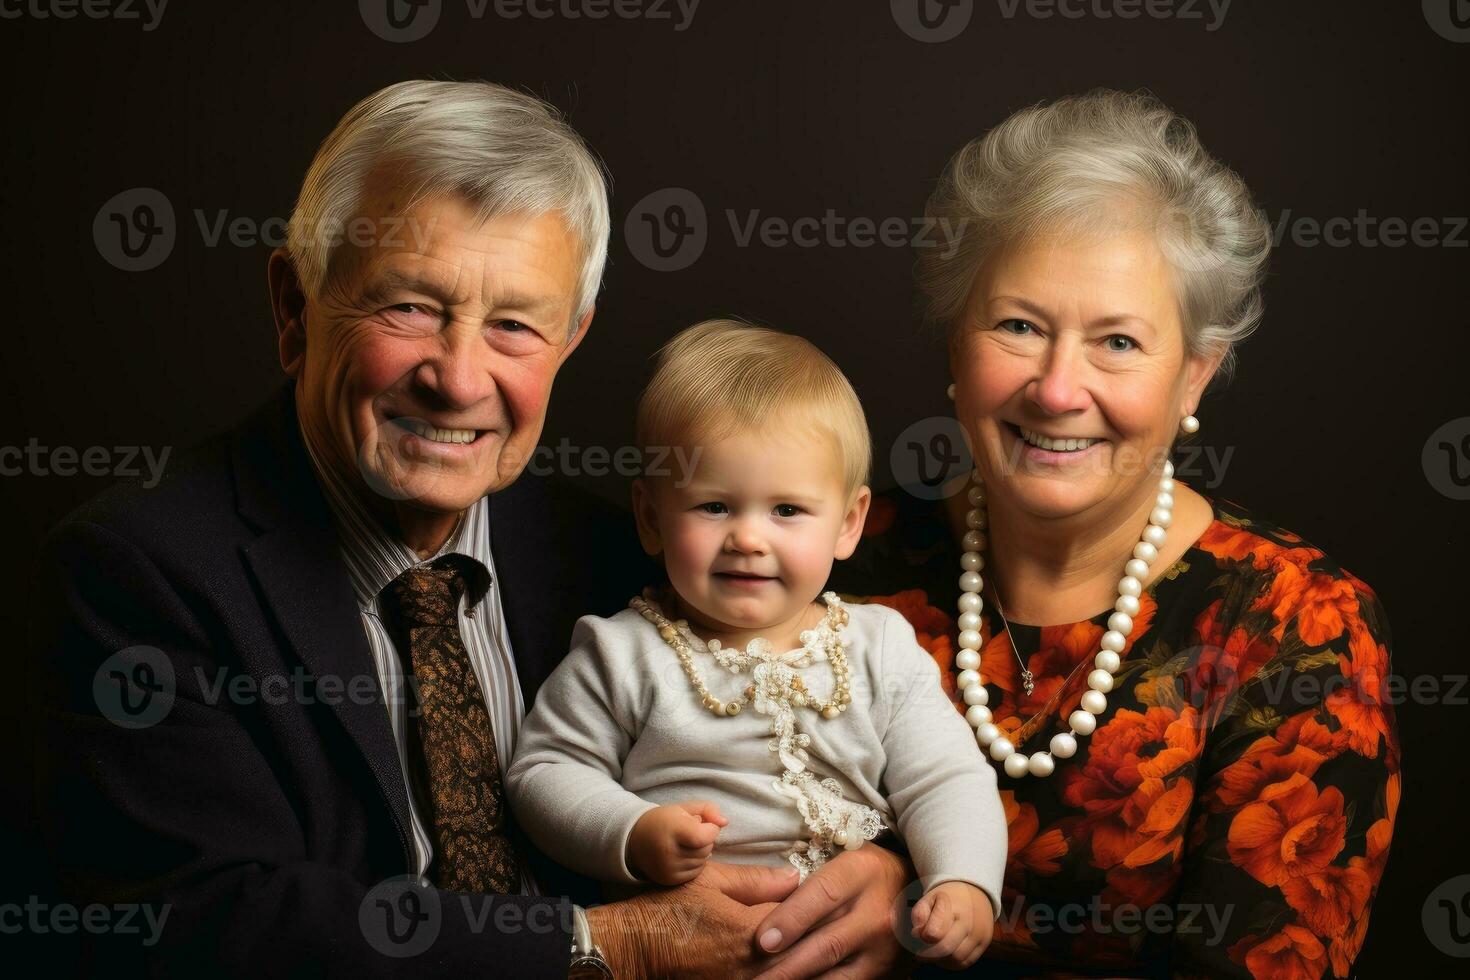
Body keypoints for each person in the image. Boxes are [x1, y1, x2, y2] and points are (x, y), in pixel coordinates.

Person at [28, 80, 916, 978]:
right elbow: (211, 924)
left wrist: (883, 872)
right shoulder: (135, 574)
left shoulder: (627, 556)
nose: (458, 379)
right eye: (410, 307)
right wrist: (611, 946)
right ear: (294, 309)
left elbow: (839, 732)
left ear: (572, 339)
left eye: (514, 326)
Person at [827, 89, 1402, 977]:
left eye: (1118, 343)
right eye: (1018, 327)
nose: (1057, 390)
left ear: (1194, 380)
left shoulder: (1298, 625)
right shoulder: (831, 559)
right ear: (955, 347)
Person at [507, 320, 1007, 971]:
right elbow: (544, 772)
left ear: (849, 523)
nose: (749, 538)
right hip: (684, 958)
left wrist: (963, 880)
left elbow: (946, 777)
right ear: (652, 517)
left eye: (787, 511)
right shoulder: (623, 652)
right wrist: (631, 833)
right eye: (714, 507)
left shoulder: (878, 646)